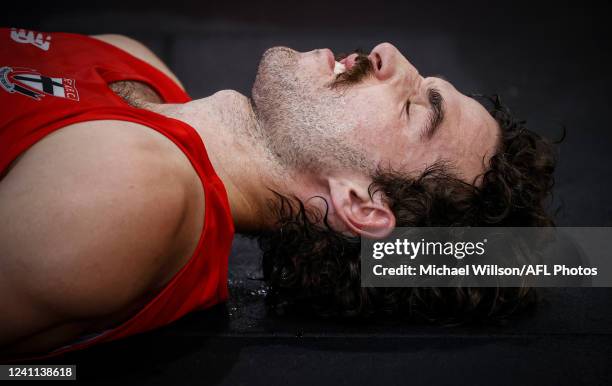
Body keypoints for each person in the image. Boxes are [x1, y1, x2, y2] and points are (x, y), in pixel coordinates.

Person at [0, 29, 556, 359]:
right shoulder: (134, 63)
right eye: (425, 81)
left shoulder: (138, 195)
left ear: (360, 206)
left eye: (416, 110)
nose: (389, 51)